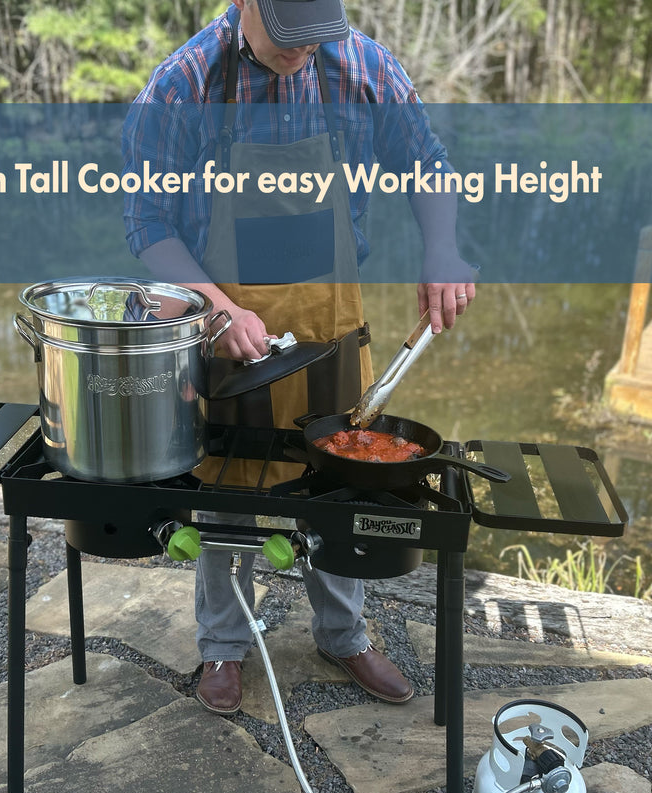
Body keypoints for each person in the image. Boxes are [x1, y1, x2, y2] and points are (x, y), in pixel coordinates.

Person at [122, 0, 476, 715]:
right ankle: (223, 646)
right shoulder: (184, 82)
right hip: (226, 325)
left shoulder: (365, 67)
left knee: (339, 482)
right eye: (290, 38)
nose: (302, 54)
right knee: (228, 488)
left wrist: (443, 246)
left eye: (317, 39)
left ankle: (342, 634)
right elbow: (146, 220)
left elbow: (426, 165)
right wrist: (215, 307)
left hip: (332, 322)